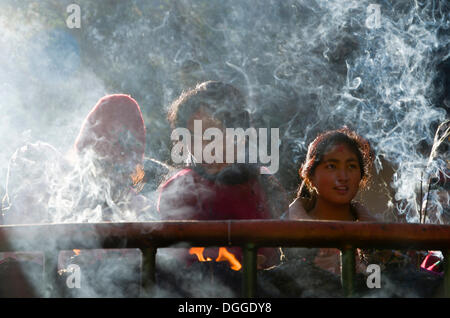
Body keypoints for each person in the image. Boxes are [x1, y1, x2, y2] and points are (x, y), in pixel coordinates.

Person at [158, 81, 288, 271]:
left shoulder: (264, 182)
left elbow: (284, 250)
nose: (203, 149)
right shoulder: (180, 189)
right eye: (192, 138)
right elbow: (179, 257)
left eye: (212, 137)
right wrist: (240, 261)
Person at [288, 127, 378, 275]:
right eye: (331, 166)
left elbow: (385, 285)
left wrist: (363, 274)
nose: (343, 176)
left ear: (361, 177)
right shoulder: (284, 229)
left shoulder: (377, 233)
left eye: (351, 166)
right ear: (310, 177)